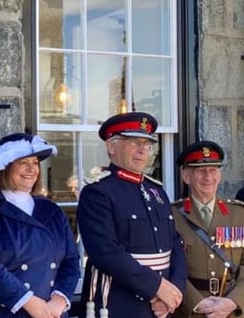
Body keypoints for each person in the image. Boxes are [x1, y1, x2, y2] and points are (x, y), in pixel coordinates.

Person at [76, 111, 187, 318]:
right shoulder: (98, 192)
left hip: (161, 308)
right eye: (134, 143)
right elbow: (105, 252)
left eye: (147, 144)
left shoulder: (157, 192)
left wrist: (174, 291)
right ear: (111, 147)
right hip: (119, 304)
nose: (142, 151)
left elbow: (175, 244)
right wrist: (157, 287)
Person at [0, 132, 80, 318]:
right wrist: (28, 301)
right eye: (23, 163)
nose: (31, 169)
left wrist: (59, 301)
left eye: (35, 163)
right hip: (10, 312)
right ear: (4, 166)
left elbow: (71, 260)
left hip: (52, 312)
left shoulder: (52, 210)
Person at [171, 141, 244, 318]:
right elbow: (168, 266)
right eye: (201, 171)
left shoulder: (239, 213)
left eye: (213, 170)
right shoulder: (170, 215)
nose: (208, 177)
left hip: (232, 311)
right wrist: (196, 303)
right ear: (186, 176)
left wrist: (233, 301)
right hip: (189, 310)